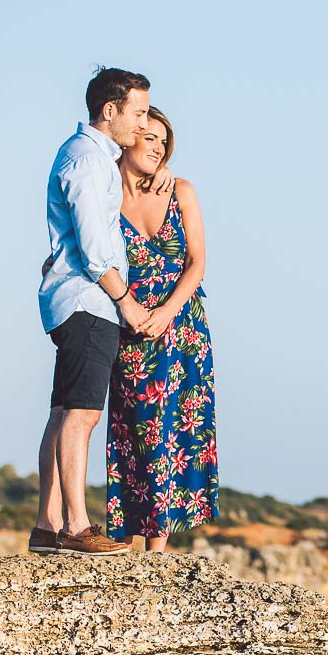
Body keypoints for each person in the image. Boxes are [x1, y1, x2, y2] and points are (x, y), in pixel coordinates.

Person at [30, 68, 174, 556]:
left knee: (62, 412)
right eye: (136, 112)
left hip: (74, 300)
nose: (142, 122)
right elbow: (95, 248)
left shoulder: (92, 157)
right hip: (89, 302)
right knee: (82, 416)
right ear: (109, 110)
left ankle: (47, 525)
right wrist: (125, 300)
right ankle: (75, 525)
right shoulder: (88, 161)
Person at [104, 107, 219, 549]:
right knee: (134, 428)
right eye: (148, 138)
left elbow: (198, 264)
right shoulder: (106, 195)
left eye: (162, 142)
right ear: (128, 137)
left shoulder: (181, 191)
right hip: (131, 322)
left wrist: (169, 311)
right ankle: (132, 542)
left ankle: (159, 552)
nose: (156, 147)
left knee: (175, 429)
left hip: (182, 325)